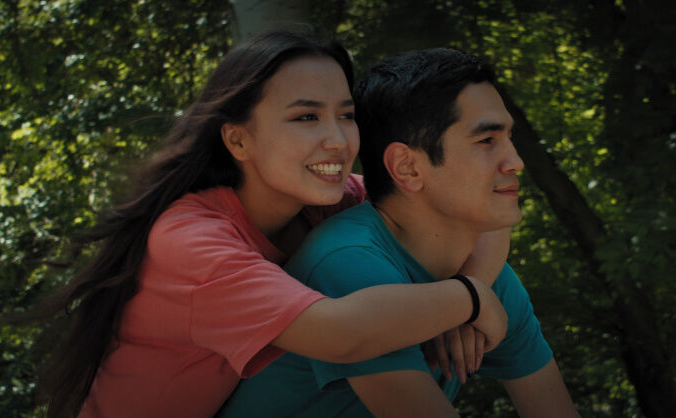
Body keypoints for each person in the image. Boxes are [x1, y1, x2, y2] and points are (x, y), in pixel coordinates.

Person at [32, 32, 512, 418]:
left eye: (346, 115)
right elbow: (341, 334)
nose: (337, 139)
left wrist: (467, 293)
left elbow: (469, 202)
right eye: (306, 116)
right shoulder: (191, 242)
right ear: (238, 140)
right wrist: (470, 299)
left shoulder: (325, 203)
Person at [218, 48, 580, 417]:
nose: (515, 161)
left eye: (508, 137)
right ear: (407, 168)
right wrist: (468, 300)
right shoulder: (349, 264)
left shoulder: (488, 279)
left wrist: (469, 295)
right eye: (486, 140)